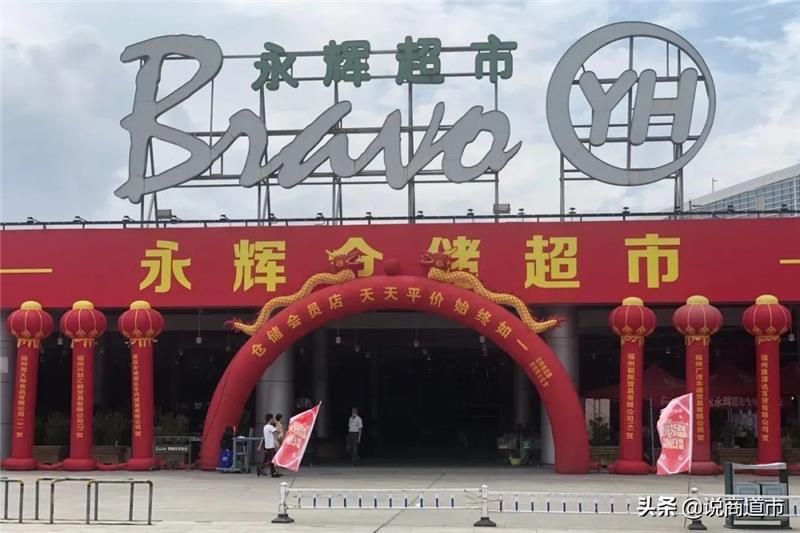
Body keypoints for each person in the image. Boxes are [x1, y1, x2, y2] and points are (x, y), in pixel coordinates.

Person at [257, 413, 281, 478]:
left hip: (268, 446)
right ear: (270, 419)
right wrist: (277, 424)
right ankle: (261, 468)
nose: (273, 420)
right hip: (270, 446)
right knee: (272, 460)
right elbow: (278, 431)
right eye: (272, 418)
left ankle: (273, 473)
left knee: (271, 459)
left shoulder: (265, 427)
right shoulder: (269, 427)